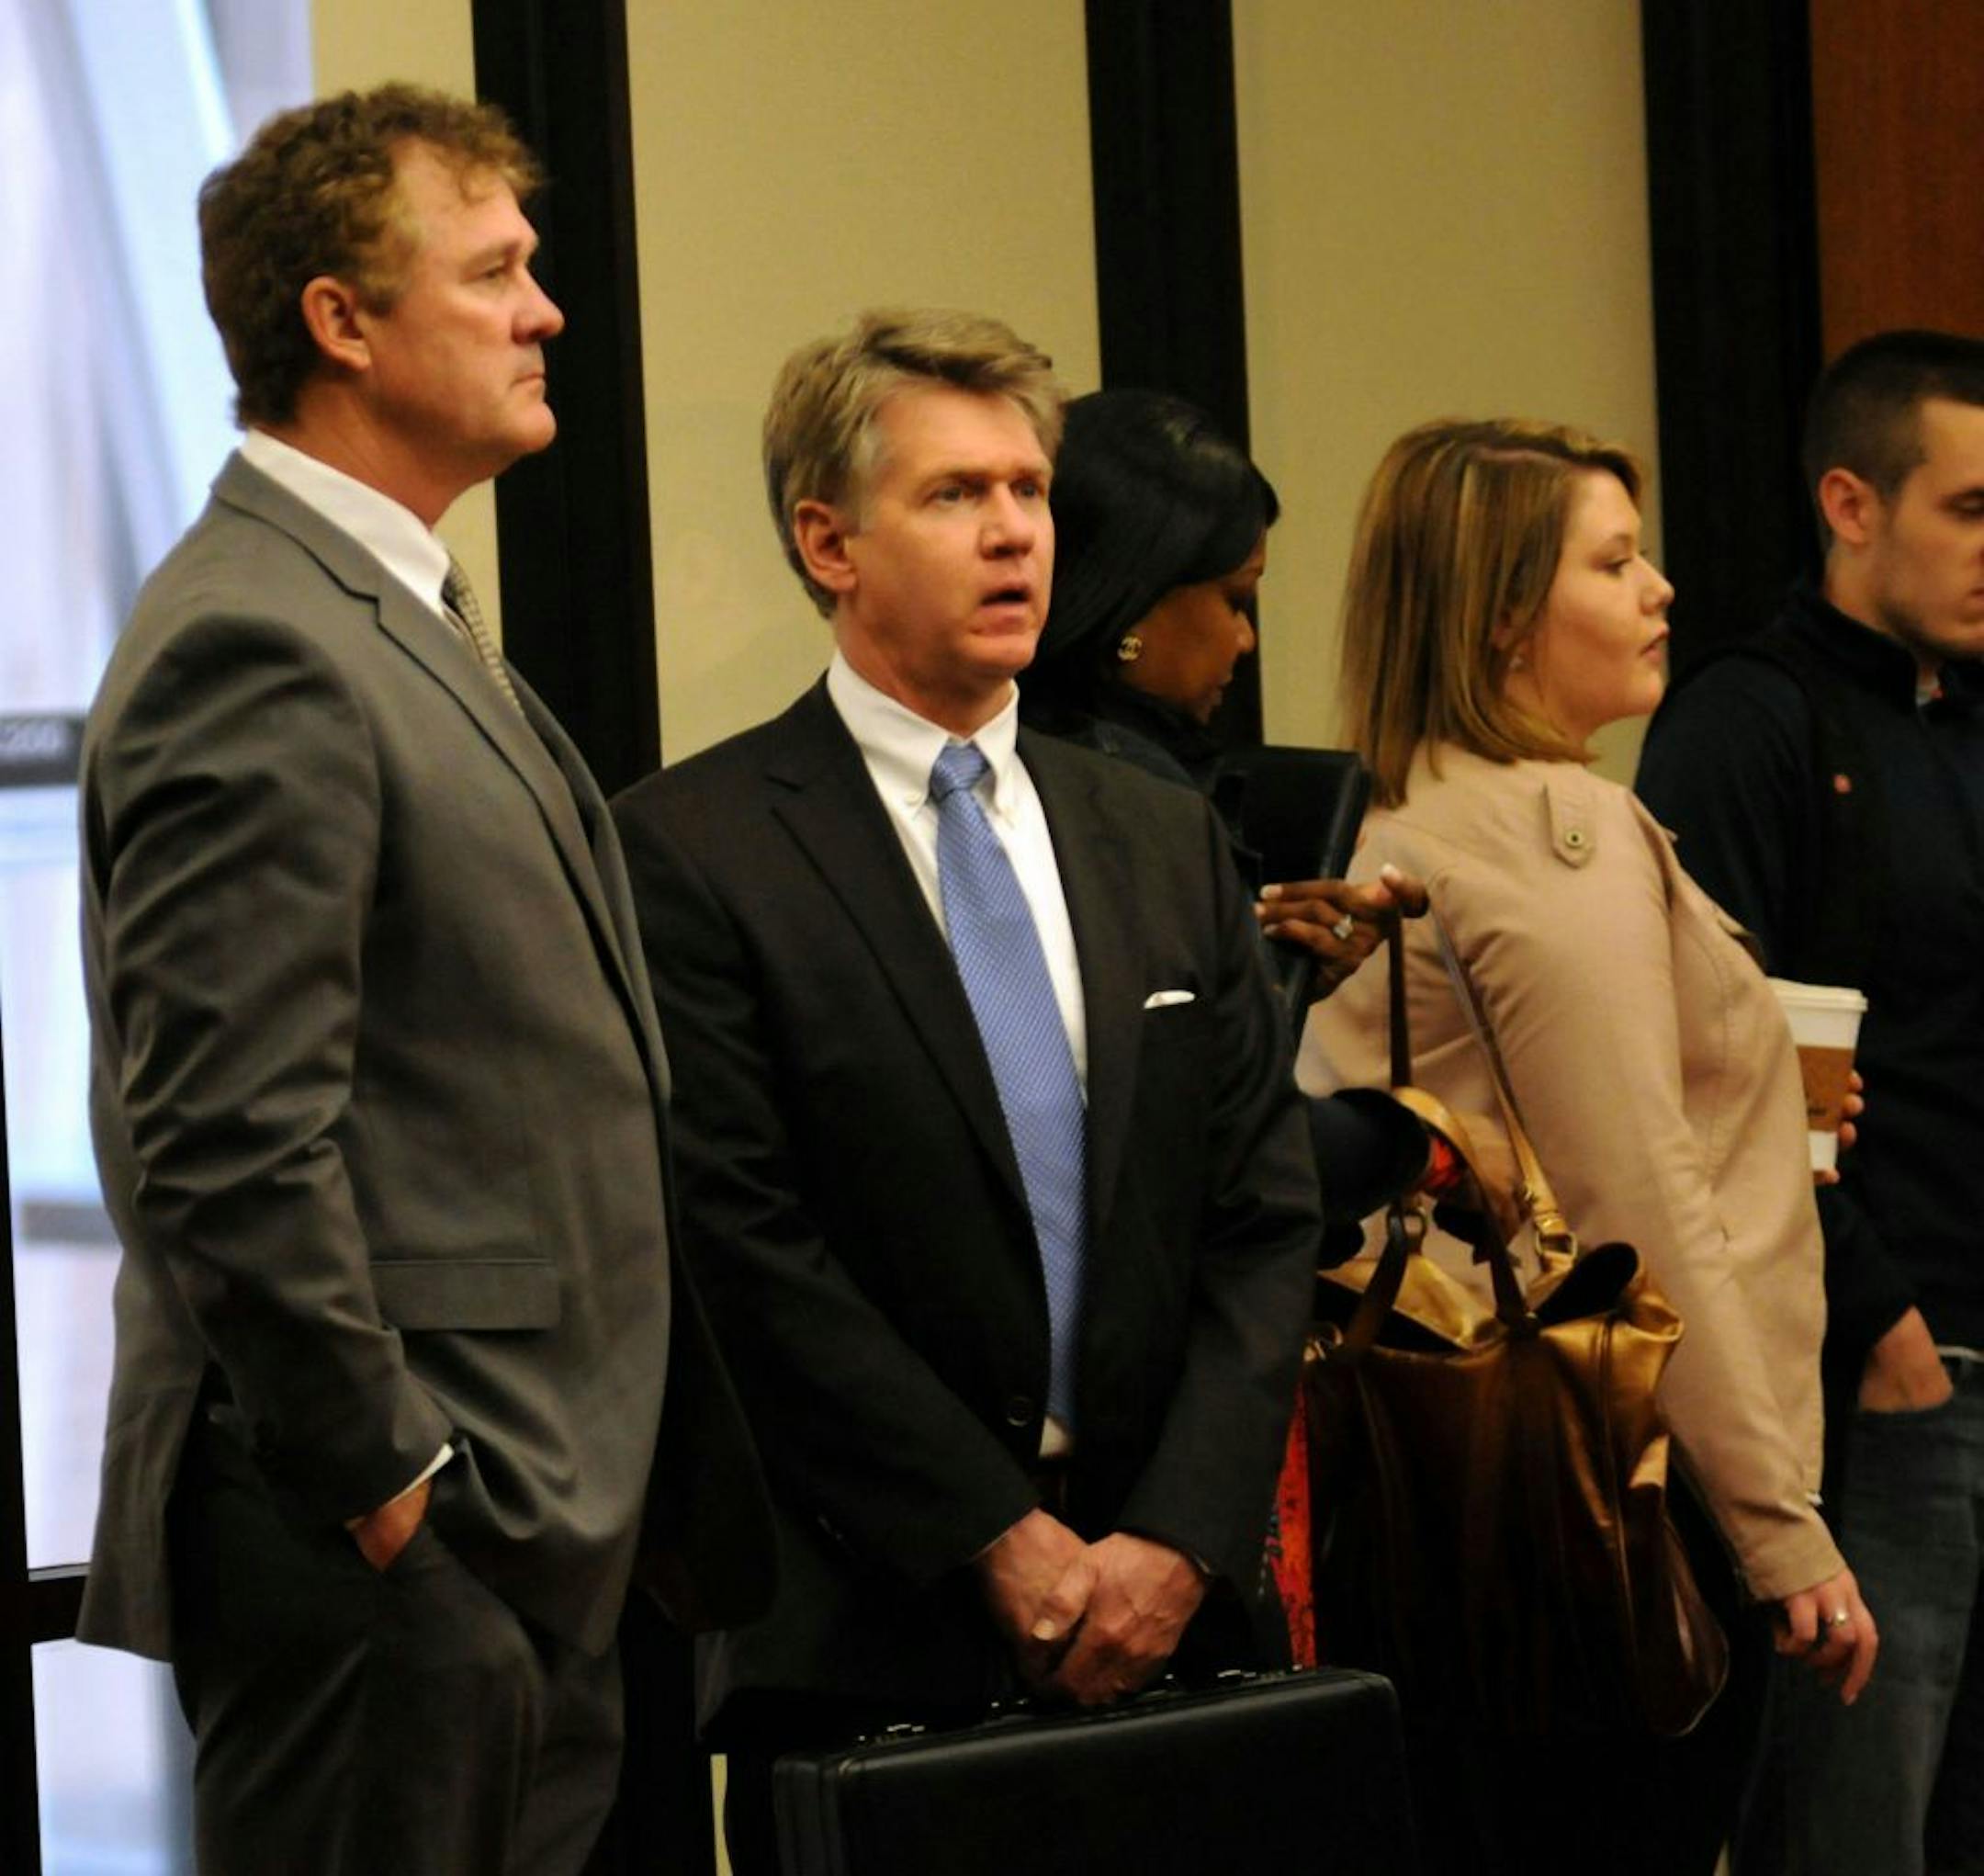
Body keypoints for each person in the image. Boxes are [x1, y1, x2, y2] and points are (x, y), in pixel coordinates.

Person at [76, 85, 767, 1876]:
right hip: (396, 1556)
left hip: (513, 1535)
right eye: (496, 271)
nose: (547, 311)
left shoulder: (376, 604)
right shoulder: (261, 634)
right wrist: (401, 1496)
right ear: (343, 320)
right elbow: (227, 1144)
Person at [610, 310, 1322, 1876]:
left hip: (1177, 1616)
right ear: (829, 541)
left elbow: (1264, 1213)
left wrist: (1176, 1537)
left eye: (1030, 490)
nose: (1014, 532)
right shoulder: (693, 847)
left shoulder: (1159, 834)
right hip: (873, 1622)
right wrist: (994, 1538)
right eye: (953, 494)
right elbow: (740, 1243)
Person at [1302, 417, 1877, 1875]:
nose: (1661, 588)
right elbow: (1636, 1201)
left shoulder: (1398, 814)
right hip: (1617, 1479)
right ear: (1505, 616)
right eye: (1615, 562)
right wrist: (1779, 1528)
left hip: (1456, 1486)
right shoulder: (1563, 829)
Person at [1637, 330, 1984, 1876]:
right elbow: (1725, 1077)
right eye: (1969, 510)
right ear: (1852, 504)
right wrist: (1880, 1318)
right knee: (1859, 1826)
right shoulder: (1747, 722)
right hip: (1878, 1371)